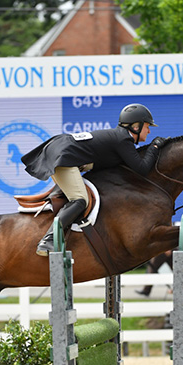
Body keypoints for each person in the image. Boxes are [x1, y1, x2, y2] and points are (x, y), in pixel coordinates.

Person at [21, 103, 167, 256]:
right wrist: (155, 147)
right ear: (136, 127)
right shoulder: (124, 139)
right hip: (64, 155)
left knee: (78, 193)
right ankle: (48, 240)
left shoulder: (118, 137)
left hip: (61, 150)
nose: (149, 130)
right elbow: (142, 169)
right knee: (80, 199)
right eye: (147, 126)